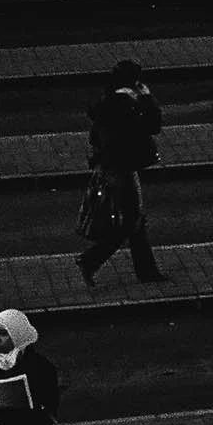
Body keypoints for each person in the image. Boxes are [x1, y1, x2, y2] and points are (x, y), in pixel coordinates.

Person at [78, 61, 168, 284]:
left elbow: (94, 136)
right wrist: (146, 98)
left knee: (135, 222)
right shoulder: (125, 103)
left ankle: (147, 272)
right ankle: (91, 260)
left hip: (110, 166)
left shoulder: (106, 100)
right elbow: (153, 125)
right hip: (123, 169)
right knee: (131, 222)